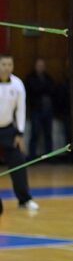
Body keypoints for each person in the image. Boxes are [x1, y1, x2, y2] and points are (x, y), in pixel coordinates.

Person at [0, 54, 38, 211]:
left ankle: (24, 199)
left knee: (19, 162)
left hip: (9, 129)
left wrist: (20, 133)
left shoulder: (18, 85)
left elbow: (21, 110)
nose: (7, 67)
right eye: (3, 64)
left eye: (10, 64)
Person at [25, 58, 55, 159]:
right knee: (34, 134)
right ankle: (32, 156)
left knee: (48, 135)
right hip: (36, 110)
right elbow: (34, 89)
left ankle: (49, 156)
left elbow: (52, 90)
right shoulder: (30, 77)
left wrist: (42, 87)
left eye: (42, 65)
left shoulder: (48, 77)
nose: (41, 67)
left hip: (48, 110)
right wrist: (43, 88)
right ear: (35, 66)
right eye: (39, 65)